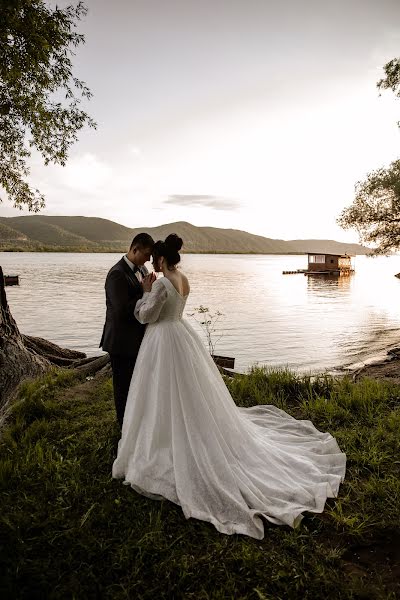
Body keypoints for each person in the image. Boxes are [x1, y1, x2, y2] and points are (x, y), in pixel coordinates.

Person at [112, 234, 346, 539]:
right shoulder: (183, 280)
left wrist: (144, 293)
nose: (153, 263)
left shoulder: (159, 284)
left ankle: (164, 439)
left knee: (162, 392)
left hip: (162, 342)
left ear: (160, 260)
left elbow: (146, 316)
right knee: (189, 394)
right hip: (182, 337)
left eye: (155, 259)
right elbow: (174, 310)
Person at [100, 232, 155, 427]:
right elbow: (122, 309)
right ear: (135, 249)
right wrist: (145, 292)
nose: (149, 259)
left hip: (137, 339)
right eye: (147, 254)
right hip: (121, 341)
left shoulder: (142, 268)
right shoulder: (117, 273)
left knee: (136, 382)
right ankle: (122, 423)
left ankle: (135, 421)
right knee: (122, 385)